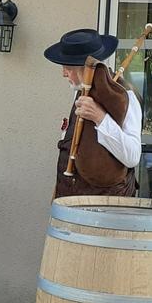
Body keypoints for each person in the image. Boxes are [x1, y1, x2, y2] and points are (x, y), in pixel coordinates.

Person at [44, 28, 142, 197]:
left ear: (86, 67)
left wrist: (100, 118)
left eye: (67, 67)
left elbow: (132, 156)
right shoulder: (81, 91)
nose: (63, 73)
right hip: (70, 203)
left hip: (107, 209)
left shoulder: (125, 96)